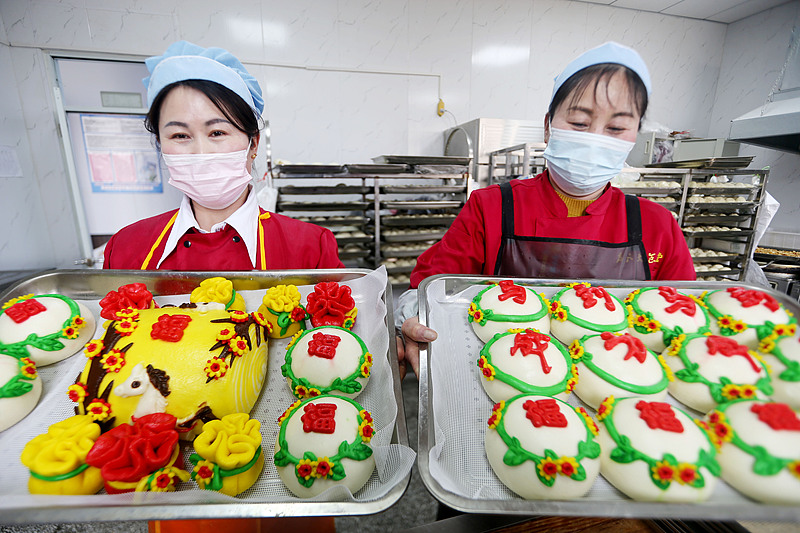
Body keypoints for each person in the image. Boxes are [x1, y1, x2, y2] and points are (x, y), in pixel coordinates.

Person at [397, 42, 695, 379]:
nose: (596, 138)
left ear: (634, 136)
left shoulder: (656, 226)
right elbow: (431, 289)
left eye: (615, 128)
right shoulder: (493, 207)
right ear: (548, 126)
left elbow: (681, 321)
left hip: (618, 385)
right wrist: (414, 320)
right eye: (580, 122)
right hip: (504, 378)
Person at [103, 41, 343, 271]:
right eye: (179, 135)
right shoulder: (126, 248)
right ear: (159, 144)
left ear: (253, 143)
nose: (201, 152)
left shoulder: (312, 249)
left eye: (217, 132)